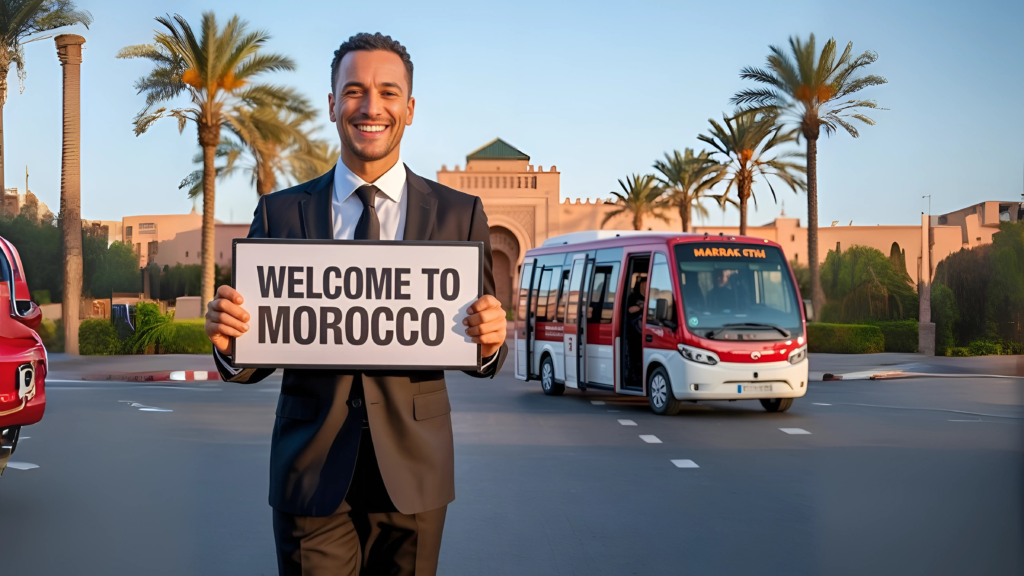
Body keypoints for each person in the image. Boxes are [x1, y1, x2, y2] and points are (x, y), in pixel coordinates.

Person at [204, 33, 507, 576]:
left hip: (415, 475)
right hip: (310, 471)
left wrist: (489, 341)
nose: (371, 107)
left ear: (409, 109)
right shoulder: (280, 216)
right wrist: (230, 345)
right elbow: (254, 356)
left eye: (388, 92)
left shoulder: (460, 216)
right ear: (331, 104)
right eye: (354, 91)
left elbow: (481, 353)